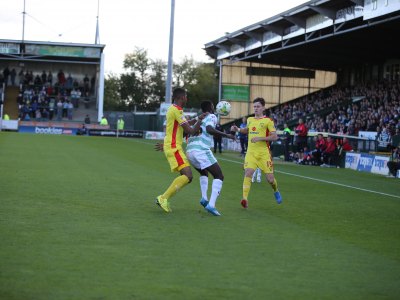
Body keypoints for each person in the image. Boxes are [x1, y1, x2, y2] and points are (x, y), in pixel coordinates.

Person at [155, 87, 208, 213]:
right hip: (174, 148)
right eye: (186, 96)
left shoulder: (173, 109)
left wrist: (196, 119)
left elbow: (181, 126)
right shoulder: (177, 110)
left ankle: (164, 198)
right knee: (188, 176)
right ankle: (163, 198)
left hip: (172, 146)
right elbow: (190, 131)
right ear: (181, 97)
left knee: (186, 176)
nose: (187, 99)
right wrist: (200, 121)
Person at [185, 100, 235, 216]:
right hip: (201, 149)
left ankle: (204, 198)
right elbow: (209, 129)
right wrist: (227, 135)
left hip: (190, 150)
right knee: (219, 176)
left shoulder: (199, 118)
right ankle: (211, 205)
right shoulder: (212, 116)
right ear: (212, 108)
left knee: (204, 173)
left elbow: (189, 128)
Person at [231, 97, 282, 208]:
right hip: (251, 153)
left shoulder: (268, 121)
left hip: (264, 154)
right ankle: (244, 199)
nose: (256, 108)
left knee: (270, 179)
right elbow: (247, 130)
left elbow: (274, 137)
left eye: (258, 106)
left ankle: (276, 190)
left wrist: (260, 138)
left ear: (263, 107)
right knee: (248, 172)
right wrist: (238, 129)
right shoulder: (250, 120)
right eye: (254, 106)